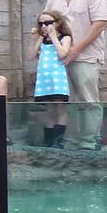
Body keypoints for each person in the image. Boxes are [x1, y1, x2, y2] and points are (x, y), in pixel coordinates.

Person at [44, 0, 107, 149]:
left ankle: (90, 142)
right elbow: (47, 23)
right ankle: (71, 141)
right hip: (59, 57)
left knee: (88, 99)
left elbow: (100, 23)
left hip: (86, 56)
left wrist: (76, 49)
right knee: (67, 100)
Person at [31, 9, 73, 147]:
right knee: (49, 111)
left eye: (48, 23)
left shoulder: (65, 38)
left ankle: (58, 141)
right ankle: (48, 141)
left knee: (60, 108)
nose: (44, 26)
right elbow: (31, 56)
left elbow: (62, 54)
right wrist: (37, 38)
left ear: (57, 23)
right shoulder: (42, 40)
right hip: (44, 80)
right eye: (41, 23)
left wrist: (54, 37)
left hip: (58, 79)